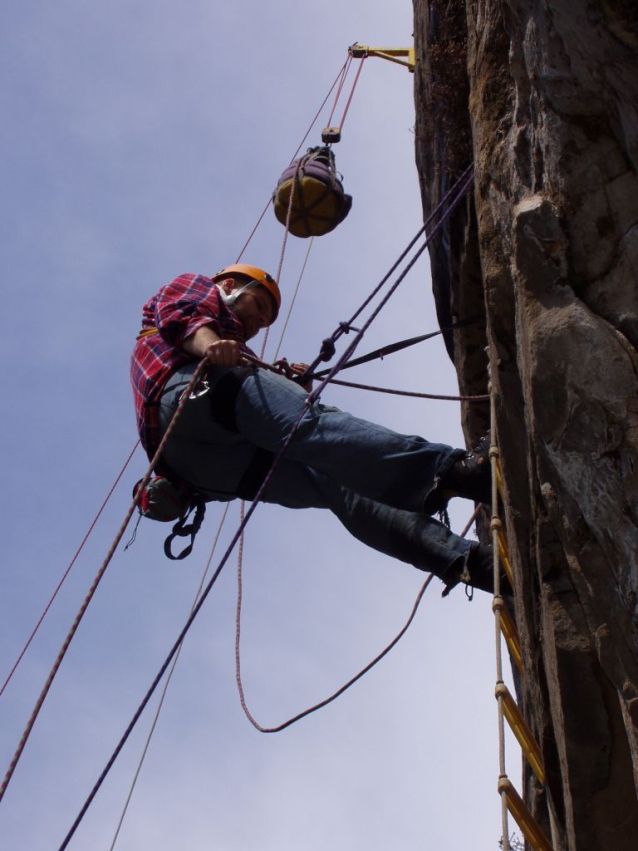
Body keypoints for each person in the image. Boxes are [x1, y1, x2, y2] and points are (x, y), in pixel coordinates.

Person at [131, 264, 500, 595]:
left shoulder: (232, 350)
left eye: (265, 321)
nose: (259, 322)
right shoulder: (197, 289)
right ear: (230, 285)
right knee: (312, 427)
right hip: (188, 398)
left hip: (205, 471)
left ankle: (465, 562)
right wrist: (212, 347)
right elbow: (184, 314)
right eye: (259, 306)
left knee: (339, 484)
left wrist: (285, 383)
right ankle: (456, 472)